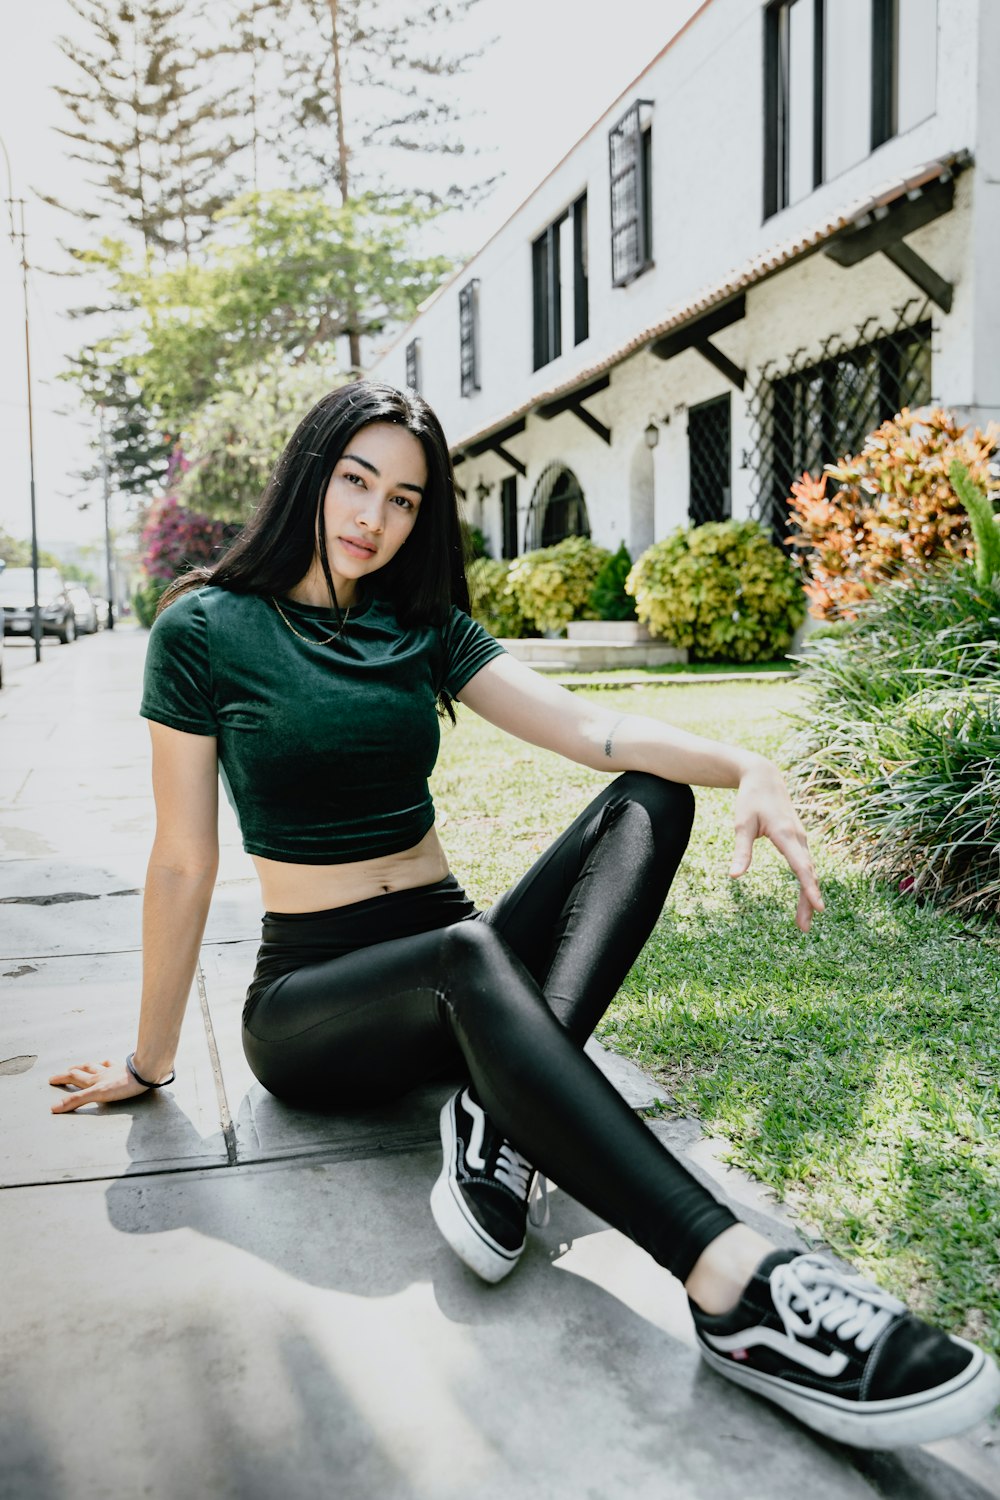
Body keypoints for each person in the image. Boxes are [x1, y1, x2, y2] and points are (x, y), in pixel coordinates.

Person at [50, 380, 998, 1452]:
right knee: (461, 955)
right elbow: (182, 862)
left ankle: (497, 1122)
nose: (374, 517)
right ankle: (739, 1286)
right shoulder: (203, 629)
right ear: (307, 474)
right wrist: (151, 1057)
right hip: (315, 1006)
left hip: (456, 960)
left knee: (649, 797)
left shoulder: (420, 626)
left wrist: (745, 763)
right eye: (355, 481)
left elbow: (591, 731)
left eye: (405, 500)